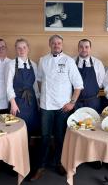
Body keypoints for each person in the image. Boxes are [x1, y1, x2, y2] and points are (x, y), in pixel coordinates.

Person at [31, 35, 83, 181]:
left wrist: (72, 102)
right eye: (53, 43)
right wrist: (43, 96)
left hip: (63, 107)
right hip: (46, 105)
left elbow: (78, 85)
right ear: (49, 44)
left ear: (62, 44)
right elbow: (40, 80)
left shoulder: (69, 61)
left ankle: (59, 163)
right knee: (45, 137)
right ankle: (40, 167)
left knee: (60, 137)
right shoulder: (43, 60)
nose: (56, 45)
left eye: (59, 43)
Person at [6, 38, 40, 135]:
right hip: (17, 101)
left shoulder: (33, 64)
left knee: (30, 126)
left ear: (28, 49)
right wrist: (13, 103)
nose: (22, 50)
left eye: (24, 47)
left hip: (31, 101)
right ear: (16, 50)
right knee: (17, 128)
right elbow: (8, 85)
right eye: (19, 48)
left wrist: (37, 102)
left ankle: (27, 150)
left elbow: (35, 86)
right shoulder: (11, 64)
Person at [74, 39, 105, 113]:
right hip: (76, 102)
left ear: (90, 48)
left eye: (86, 47)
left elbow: (102, 82)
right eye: (81, 47)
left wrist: (95, 94)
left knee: (94, 123)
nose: (84, 49)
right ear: (78, 48)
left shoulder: (98, 63)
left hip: (93, 102)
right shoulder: (71, 62)